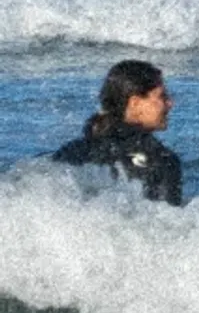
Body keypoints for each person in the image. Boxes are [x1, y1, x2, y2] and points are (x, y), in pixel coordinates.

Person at [49, 59, 183, 204]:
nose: (170, 103)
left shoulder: (71, 151)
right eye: (162, 96)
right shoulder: (162, 160)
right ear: (135, 103)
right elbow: (168, 220)